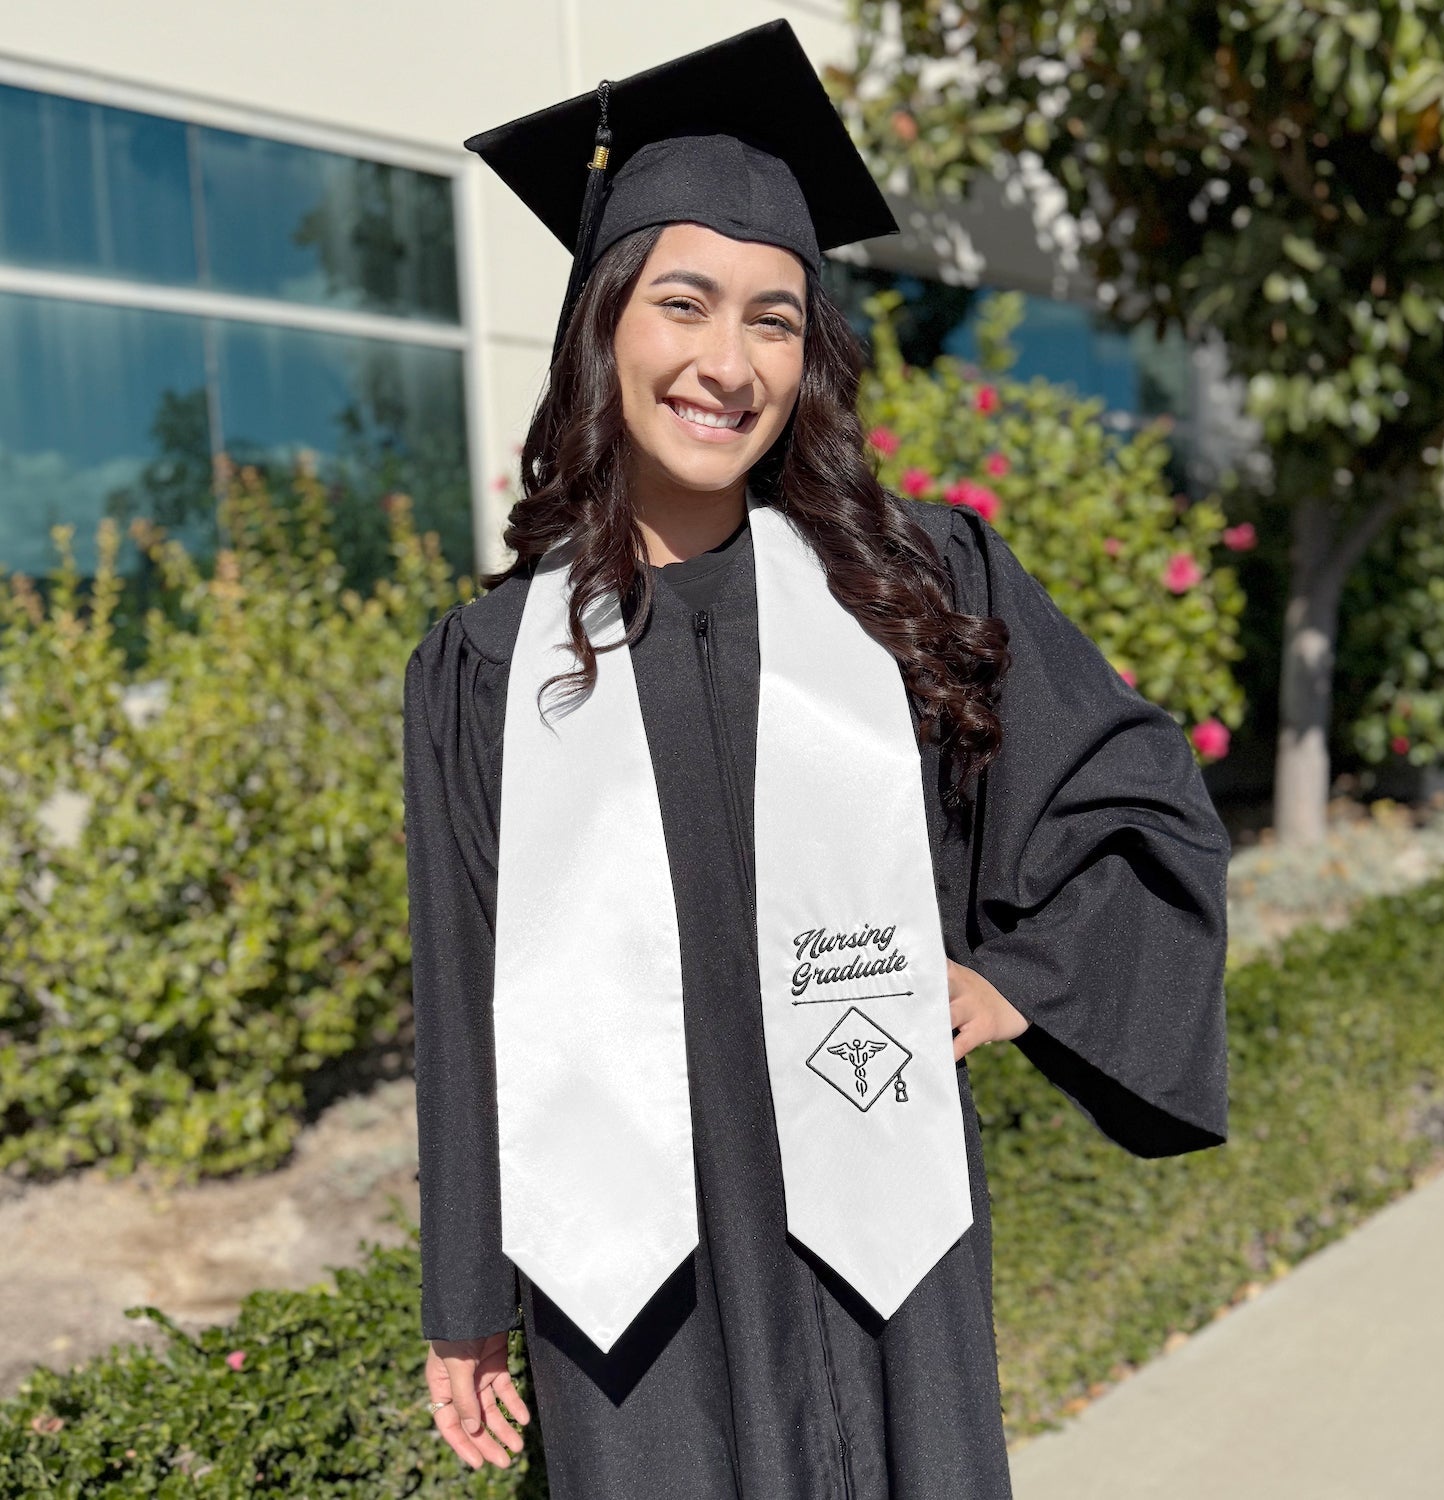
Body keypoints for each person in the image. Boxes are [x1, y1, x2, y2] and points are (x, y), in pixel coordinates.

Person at [401, 20, 1231, 1500]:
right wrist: (465, 1299)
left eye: (775, 319)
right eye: (686, 303)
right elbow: (462, 979)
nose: (728, 361)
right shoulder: (488, 669)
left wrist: (1022, 983)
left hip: (881, 1253)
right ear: (605, 325)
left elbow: (1133, 793)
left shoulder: (916, 588)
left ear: (810, 352)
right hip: (635, 1281)